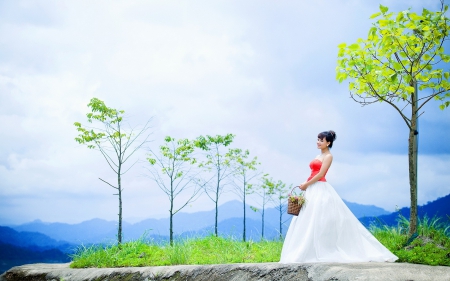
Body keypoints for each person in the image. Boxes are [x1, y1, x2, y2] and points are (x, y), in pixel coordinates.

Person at [279, 130, 398, 263]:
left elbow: (320, 174)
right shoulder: (318, 155)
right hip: (311, 188)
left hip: (319, 187)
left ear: (328, 143)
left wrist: (306, 184)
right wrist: (306, 185)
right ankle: (306, 249)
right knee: (307, 218)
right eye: (318, 139)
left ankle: (319, 249)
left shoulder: (328, 156)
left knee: (318, 218)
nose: (318, 142)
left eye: (321, 140)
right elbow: (314, 173)